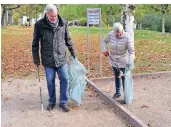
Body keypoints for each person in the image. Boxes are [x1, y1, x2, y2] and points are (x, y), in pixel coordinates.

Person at [32, 4, 76, 112]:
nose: (54, 18)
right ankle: (51, 101)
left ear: (57, 12)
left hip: (61, 58)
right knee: (50, 81)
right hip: (48, 59)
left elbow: (68, 39)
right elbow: (35, 43)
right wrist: (36, 58)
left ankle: (63, 102)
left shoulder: (63, 23)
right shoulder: (39, 25)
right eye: (51, 16)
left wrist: (73, 52)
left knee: (65, 79)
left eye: (55, 15)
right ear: (46, 14)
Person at [101, 22, 135, 99]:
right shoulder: (110, 34)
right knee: (116, 76)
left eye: (119, 33)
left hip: (123, 60)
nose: (118, 35)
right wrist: (104, 50)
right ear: (114, 32)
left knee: (123, 77)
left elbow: (132, 52)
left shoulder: (127, 37)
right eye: (116, 34)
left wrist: (130, 61)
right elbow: (104, 41)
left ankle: (126, 95)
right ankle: (117, 92)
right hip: (113, 59)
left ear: (122, 30)